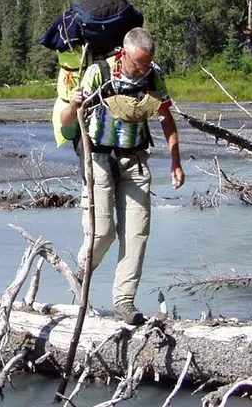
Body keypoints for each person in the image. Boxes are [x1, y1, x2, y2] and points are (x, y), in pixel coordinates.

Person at [59, 27, 185, 325]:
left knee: (137, 234)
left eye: (148, 63)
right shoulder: (98, 72)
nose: (144, 70)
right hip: (99, 158)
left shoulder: (154, 75)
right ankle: (80, 271)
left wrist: (176, 161)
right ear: (124, 54)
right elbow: (67, 123)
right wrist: (74, 103)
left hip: (136, 160)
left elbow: (166, 117)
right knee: (103, 232)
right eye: (139, 63)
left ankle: (124, 303)